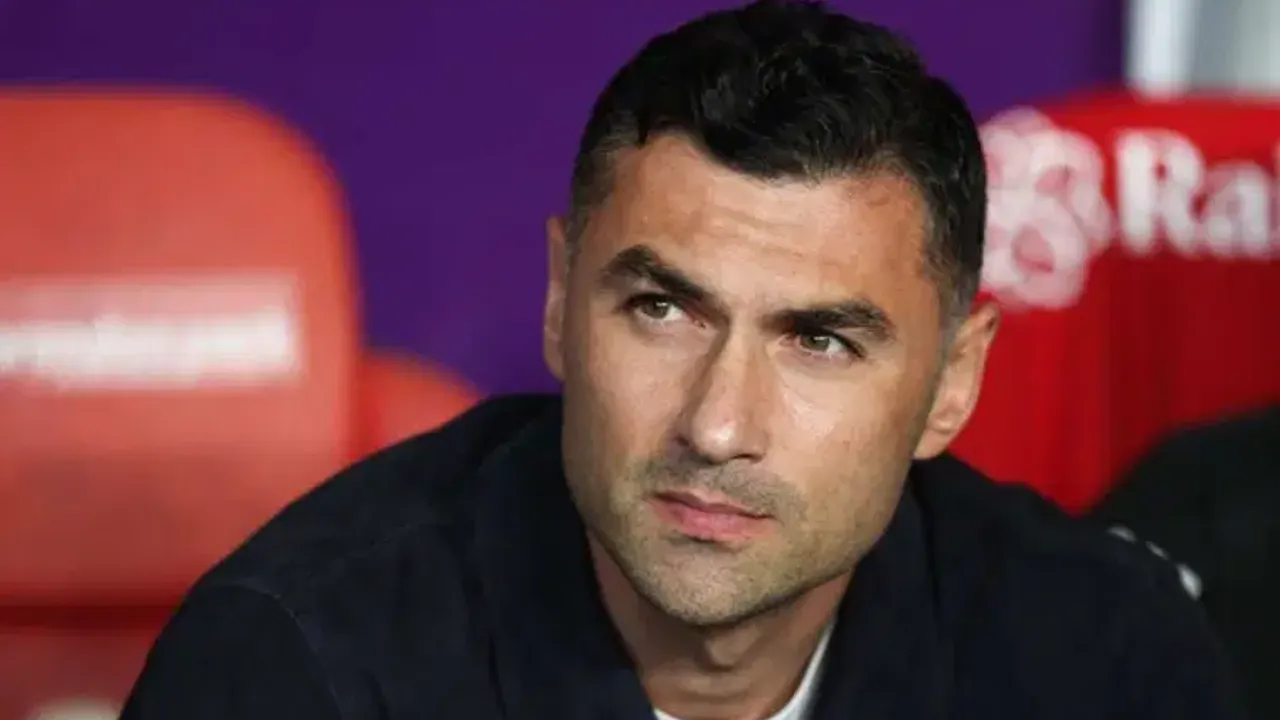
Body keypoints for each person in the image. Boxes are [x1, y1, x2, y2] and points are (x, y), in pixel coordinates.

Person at [120, 2, 1244, 718]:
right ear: (561, 301)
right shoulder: (295, 666)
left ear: (952, 382)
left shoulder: (1101, 660)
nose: (716, 425)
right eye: (662, 310)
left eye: (817, 341)